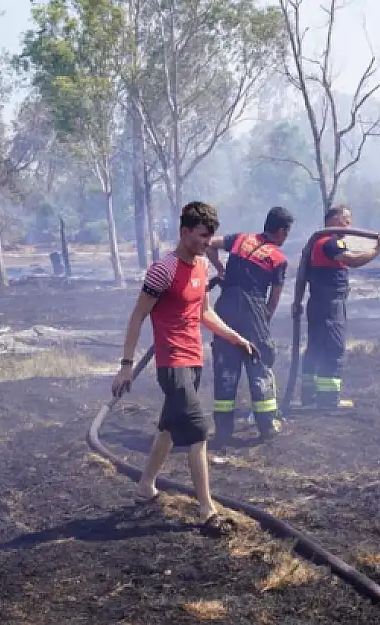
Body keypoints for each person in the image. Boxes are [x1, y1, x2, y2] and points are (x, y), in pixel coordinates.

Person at [111, 201, 256, 536]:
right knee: (199, 433)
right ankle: (207, 510)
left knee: (169, 429)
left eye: (211, 236)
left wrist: (235, 337)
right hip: (171, 364)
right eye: (203, 236)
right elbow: (138, 316)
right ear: (185, 231)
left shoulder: (202, 266)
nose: (208, 242)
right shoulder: (162, 271)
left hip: (194, 360)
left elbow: (204, 312)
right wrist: (126, 366)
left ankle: (145, 486)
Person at [204, 206, 295, 446]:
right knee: (259, 364)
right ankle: (267, 426)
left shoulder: (240, 239)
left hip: (225, 308)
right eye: (287, 232)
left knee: (225, 367)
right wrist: (264, 320)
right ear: (282, 231)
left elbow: (208, 244)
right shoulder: (278, 259)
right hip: (253, 310)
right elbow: (274, 297)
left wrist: (220, 269)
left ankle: (223, 431)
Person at [297, 204, 380, 409]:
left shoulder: (320, 242)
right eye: (346, 219)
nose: (349, 224)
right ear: (333, 220)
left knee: (315, 348)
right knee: (333, 348)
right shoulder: (330, 243)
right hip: (330, 305)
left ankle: (310, 395)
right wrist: (379, 248)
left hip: (318, 304)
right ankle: (329, 400)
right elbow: (353, 260)